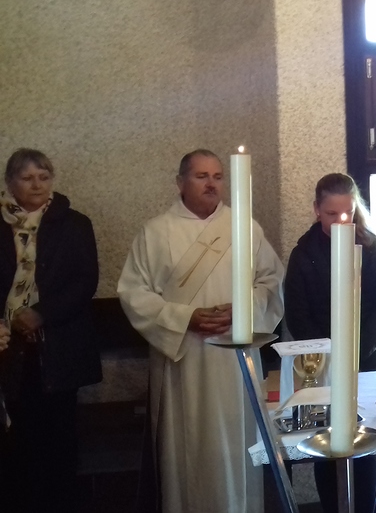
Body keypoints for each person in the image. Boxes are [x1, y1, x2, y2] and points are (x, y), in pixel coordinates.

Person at [117, 149, 284, 513]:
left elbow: (271, 283)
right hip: (183, 359)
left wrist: (242, 310)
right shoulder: (155, 232)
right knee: (187, 449)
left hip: (235, 360)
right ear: (180, 182)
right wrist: (184, 318)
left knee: (236, 447)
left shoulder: (245, 228)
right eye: (201, 176)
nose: (212, 184)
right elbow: (133, 294)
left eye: (218, 176)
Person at [284, 173, 376, 513]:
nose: (340, 221)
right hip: (322, 366)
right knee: (328, 444)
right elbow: (297, 314)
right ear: (317, 210)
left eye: (347, 213)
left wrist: (355, 352)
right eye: (331, 214)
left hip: (367, 359)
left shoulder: (371, 250)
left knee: (365, 443)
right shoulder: (304, 254)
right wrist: (329, 356)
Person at [0, 148, 102, 512]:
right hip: (7, 346)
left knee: (58, 436)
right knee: (16, 438)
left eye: (43, 177)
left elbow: (84, 281)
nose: (37, 185)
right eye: (27, 178)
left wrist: (40, 314)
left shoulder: (75, 223)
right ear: (9, 183)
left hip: (58, 346)